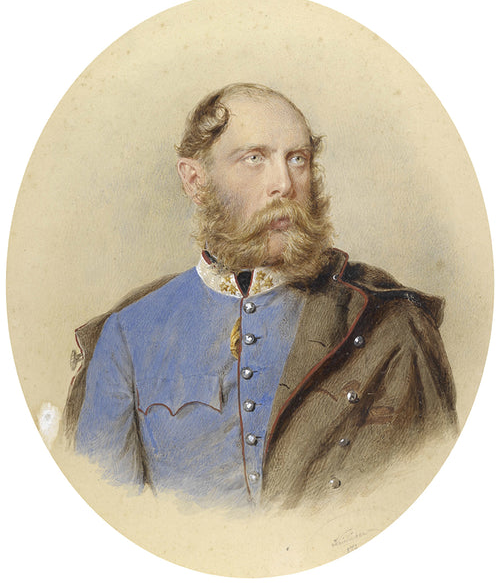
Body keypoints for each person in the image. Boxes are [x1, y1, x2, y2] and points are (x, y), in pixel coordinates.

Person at [64, 83, 457, 510]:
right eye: (255, 158)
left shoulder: (388, 322)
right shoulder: (128, 332)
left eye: (297, 159)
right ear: (195, 181)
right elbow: (108, 515)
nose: (284, 184)